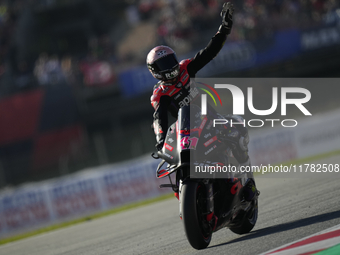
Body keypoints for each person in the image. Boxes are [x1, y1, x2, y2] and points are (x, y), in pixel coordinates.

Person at [147, 2, 257, 201]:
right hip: (185, 131)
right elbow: (159, 119)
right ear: (155, 71)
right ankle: (187, 194)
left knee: (239, 128)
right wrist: (161, 142)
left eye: (170, 61)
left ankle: (248, 179)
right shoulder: (160, 94)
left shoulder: (186, 68)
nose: (170, 67)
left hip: (210, 119)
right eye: (163, 65)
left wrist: (224, 28)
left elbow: (209, 52)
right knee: (172, 159)